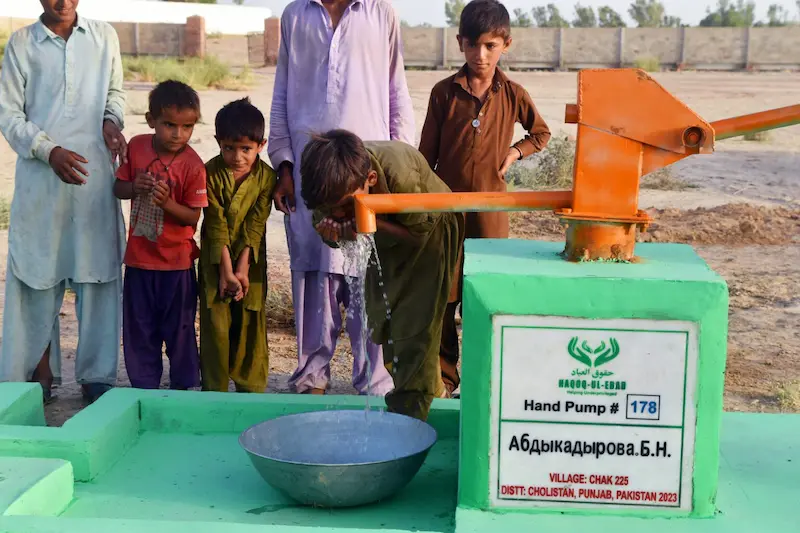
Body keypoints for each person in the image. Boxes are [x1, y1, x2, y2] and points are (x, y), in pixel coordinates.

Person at [269, 0, 415, 396]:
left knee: (369, 271)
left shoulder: (380, 11)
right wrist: (283, 162)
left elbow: (395, 90)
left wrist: (395, 166)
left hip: (365, 176)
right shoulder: (295, 15)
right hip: (309, 174)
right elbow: (281, 93)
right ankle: (311, 375)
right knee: (314, 271)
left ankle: (375, 382)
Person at [418, 0, 551, 397]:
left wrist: (514, 152)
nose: (481, 55)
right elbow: (425, 156)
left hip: (492, 213)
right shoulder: (444, 93)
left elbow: (540, 134)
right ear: (460, 43)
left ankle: (480, 378)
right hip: (447, 212)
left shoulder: (512, 93)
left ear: (505, 45)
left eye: (490, 46)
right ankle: (445, 377)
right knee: (444, 294)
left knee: (481, 294)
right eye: (473, 45)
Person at [0, 0, 128, 404]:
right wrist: (47, 150)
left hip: (93, 177)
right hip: (42, 179)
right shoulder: (22, 43)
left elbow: (116, 94)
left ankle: (97, 377)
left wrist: (112, 122)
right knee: (37, 272)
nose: (63, 1)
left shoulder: (104, 36)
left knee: (98, 274)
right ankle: (37, 374)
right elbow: (8, 115)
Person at [300, 130, 463, 421]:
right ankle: (435, 392)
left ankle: (411, 417)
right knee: (387, 324)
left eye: (346, 205)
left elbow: (417, 234)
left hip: (430, 231)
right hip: (381, 238)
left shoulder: (401, 173)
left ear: (371, 180)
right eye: (330, 208)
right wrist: (339, 232)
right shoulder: (329, 186)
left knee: (416, 329)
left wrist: (368, 225)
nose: (337, 212)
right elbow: (335, 236)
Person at [113, 81, 207, 390]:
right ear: (151, 120)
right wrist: (133, 187)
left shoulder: (192, 165)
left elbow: (193, 216)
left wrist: (167, 204)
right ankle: (144, 386)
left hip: (176, 265)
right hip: (139, 262)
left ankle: (183, 387)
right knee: (139, 329)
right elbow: (119, 188)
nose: (178, 134)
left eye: (187, 127)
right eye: (169, 125)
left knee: (179, 329)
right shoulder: (137, 147)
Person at [199, 98, 276, 393]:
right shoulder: (209, 173)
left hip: (252, 262)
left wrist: (241, 269)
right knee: (215, 323)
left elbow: (256, 225)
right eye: (229, 148)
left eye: (246, 149)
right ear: (218, 142)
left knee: (251, 320)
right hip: (214, 260)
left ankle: (251, 388)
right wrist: (225, 271)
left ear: (261, 145)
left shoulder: (267, 177)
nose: (237, 157)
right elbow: (215, 223)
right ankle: (215, 388)